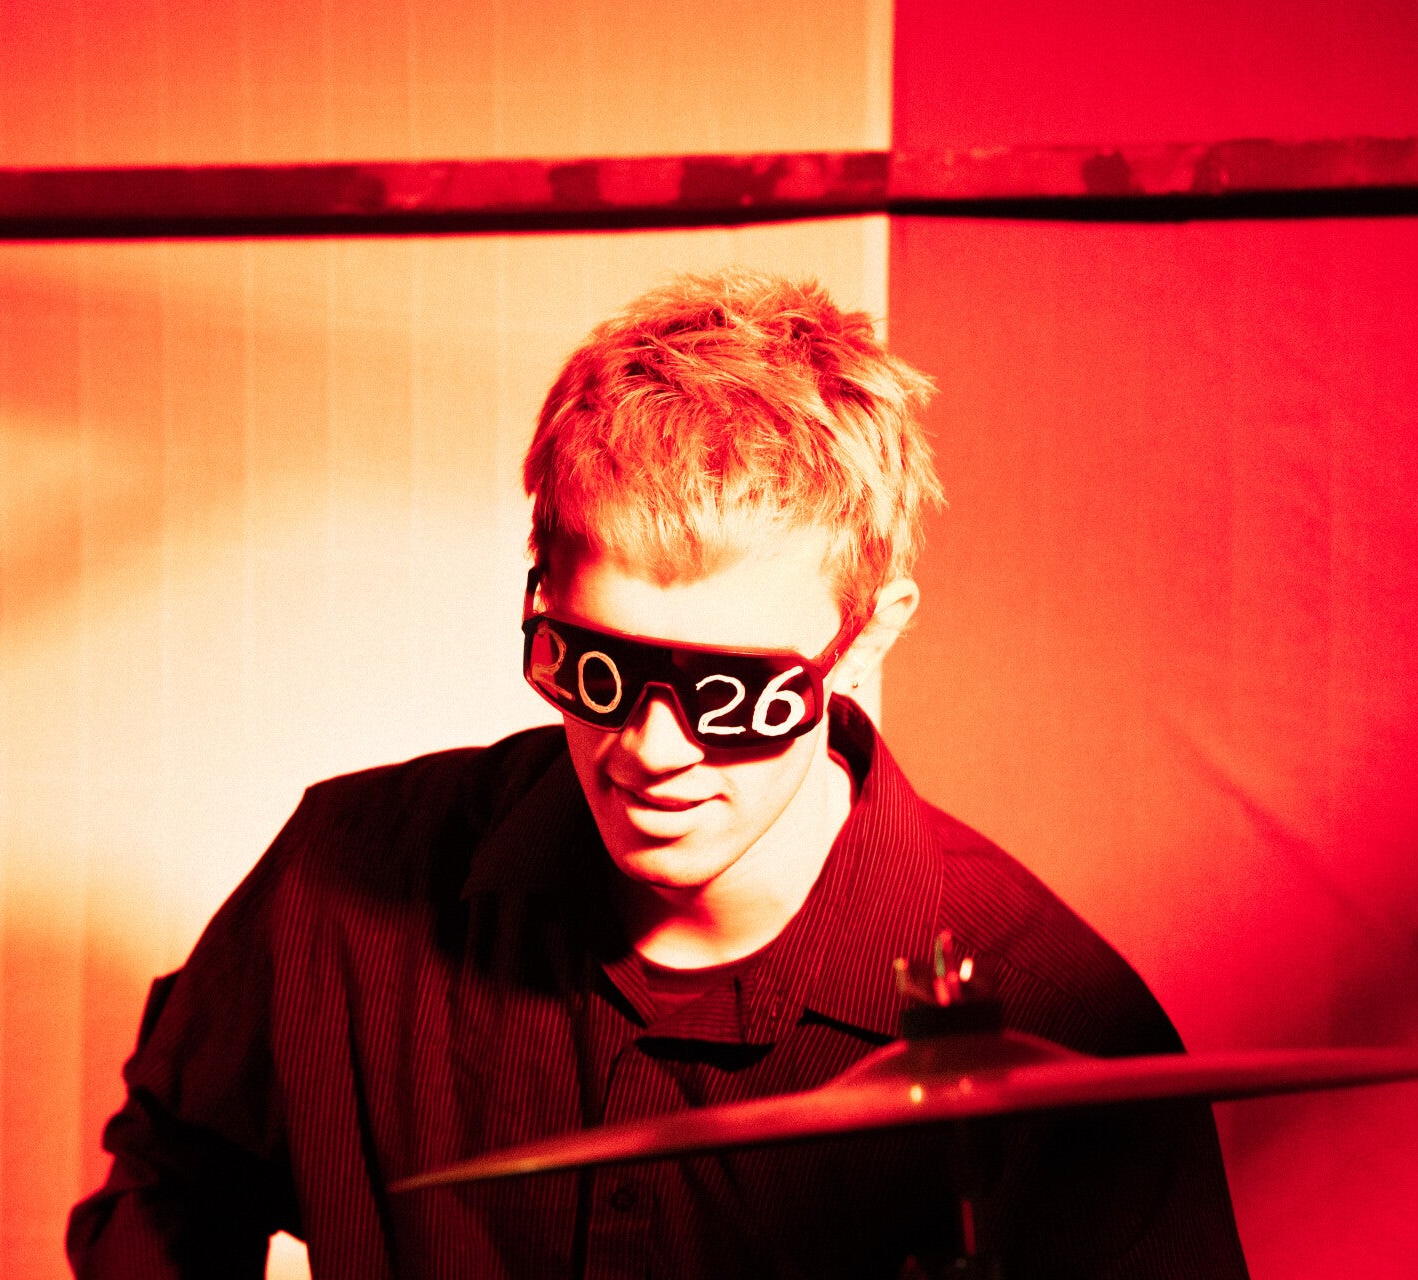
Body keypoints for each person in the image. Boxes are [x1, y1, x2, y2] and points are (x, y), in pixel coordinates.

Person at [67, 269, 1249, 1279]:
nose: (650, 746)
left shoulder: (1065, 1024)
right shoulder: (340, 884)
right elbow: (171, 1181)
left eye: (731, 691)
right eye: (595, 667)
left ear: (868, 636)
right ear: (540, 594)